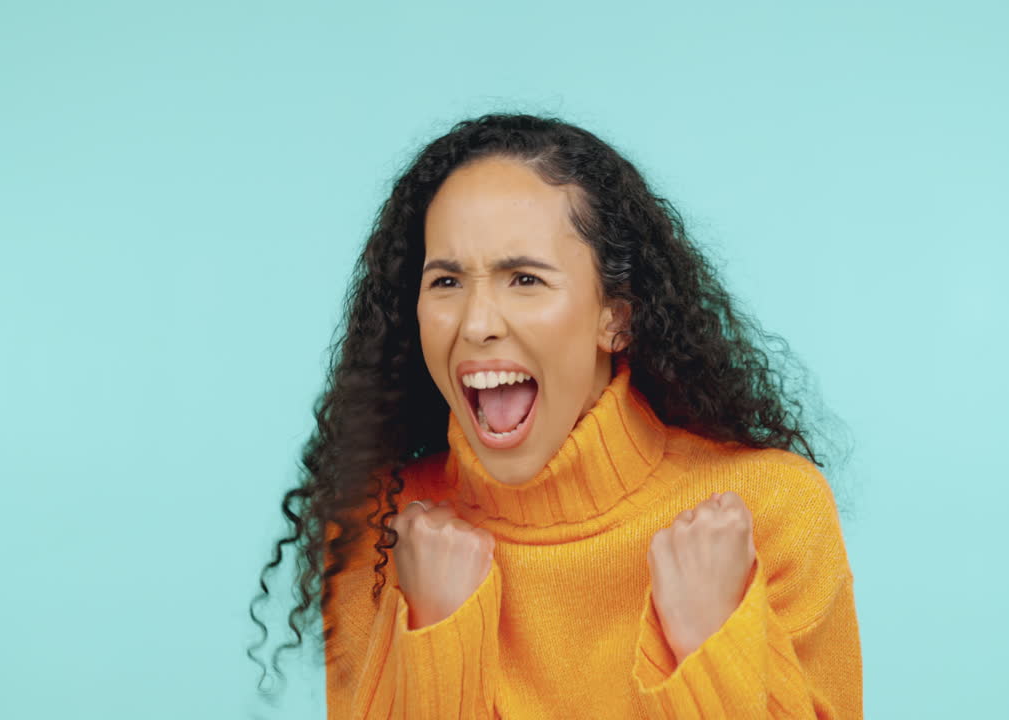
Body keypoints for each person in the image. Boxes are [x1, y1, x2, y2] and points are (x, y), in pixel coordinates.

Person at [250, 113, 862, 719]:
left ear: (616, 317)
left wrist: (709, 643)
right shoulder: (379, 528)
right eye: (446, 282)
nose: (477, 323)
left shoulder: (771, 509)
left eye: (524, 279)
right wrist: (438, 636)